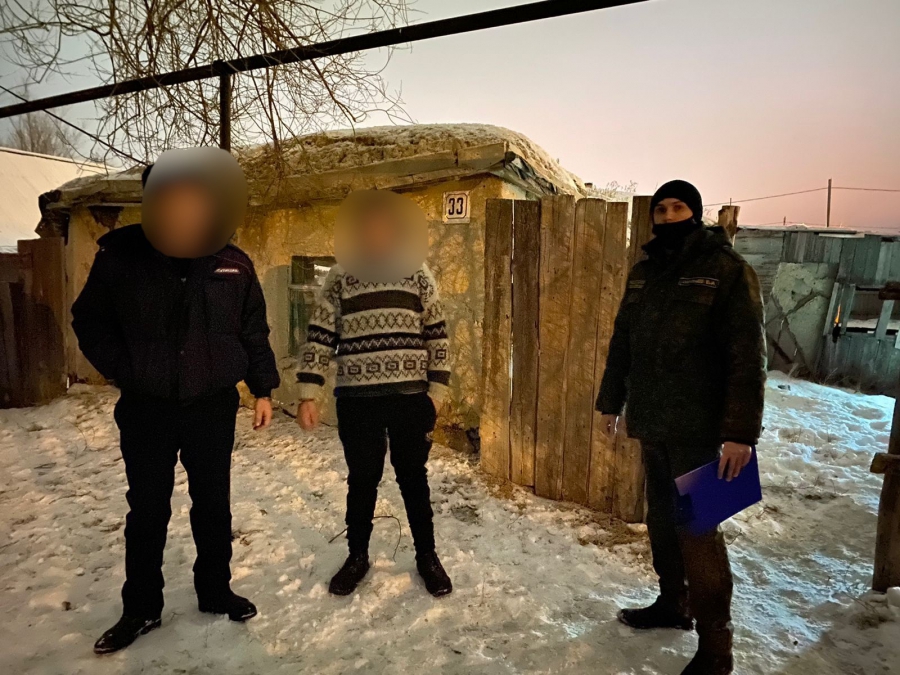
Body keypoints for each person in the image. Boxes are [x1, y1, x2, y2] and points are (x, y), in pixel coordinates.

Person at [71, 148, 280, 655]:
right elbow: (89, 320)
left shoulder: (233, 263)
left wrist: (263, 388)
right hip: (148, 408)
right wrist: (126, 369)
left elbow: (253, 329)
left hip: (211, 406)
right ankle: (141, 607)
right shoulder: (121, 257)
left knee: (213, 505)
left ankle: (215, 590)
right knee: (147, 510)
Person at [595, 180, 766, 675]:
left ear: (695, 212)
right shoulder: (645, 272)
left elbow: (747, 356)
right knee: (663, 522)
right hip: (653, 420)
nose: (669, 216)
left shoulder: (726, 269)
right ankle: (674, 603)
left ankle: (717, 648)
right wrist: (610, 401)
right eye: (661, 209)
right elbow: (622, 341)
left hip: (703, 428)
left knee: (700, 530)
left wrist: (740, 434)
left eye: (678, 207)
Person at [295, 190, 453, 598]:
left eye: (383, 226)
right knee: (362, 480)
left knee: (413, 479)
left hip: (409, 398)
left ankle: (427, 557)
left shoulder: (417, 273)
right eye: (369, 226)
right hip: (357, 401)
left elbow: (437, 334)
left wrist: (436, 392)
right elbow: (320, 334)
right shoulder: (341, 277)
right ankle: (357, 556)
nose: (376, 232)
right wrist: (309, 391)